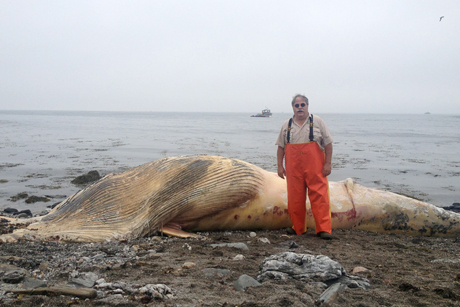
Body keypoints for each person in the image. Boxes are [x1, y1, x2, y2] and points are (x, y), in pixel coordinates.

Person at [275, 94, 333, 240]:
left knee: (320, 197)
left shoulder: (318, 121)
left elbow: (328, 144)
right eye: (297, 105)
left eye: (302, 105)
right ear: (293, 108)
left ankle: (323, 229)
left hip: (316, 168)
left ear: (307, 106)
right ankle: (298, 228)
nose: (300, 108)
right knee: (295, 198)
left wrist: (328, 164)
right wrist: (280, 167)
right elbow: (281, 147)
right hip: (294, 169)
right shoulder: (286, 124)